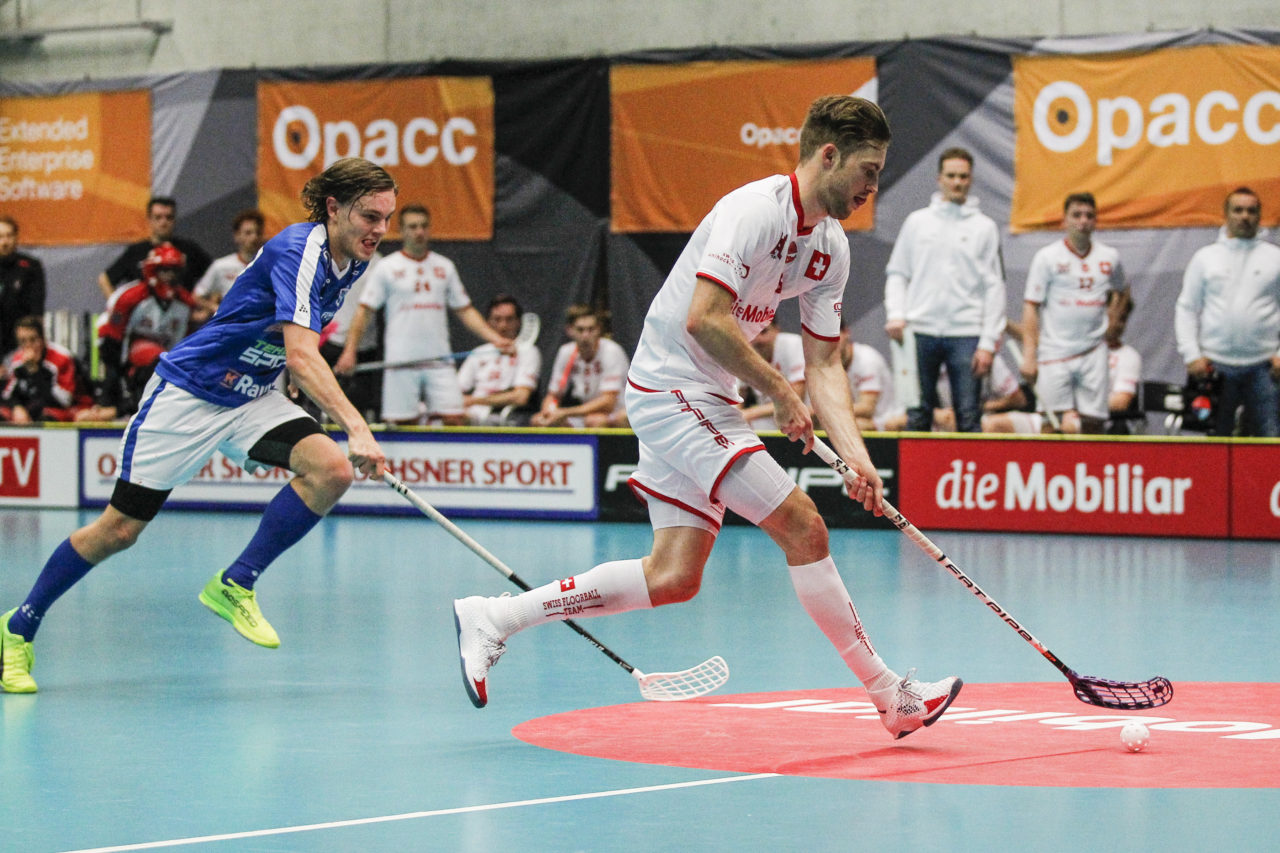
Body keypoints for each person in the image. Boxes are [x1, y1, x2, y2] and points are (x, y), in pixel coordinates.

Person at [452, 94, 961, 739]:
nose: (873, 186)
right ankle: (891, 696)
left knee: (672, 577)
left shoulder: (831, 247)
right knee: (804, 527)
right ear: (828, 156)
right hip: (673, 385)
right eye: (869, 170)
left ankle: (494, 617)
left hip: (708, 393)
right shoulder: (753, 212)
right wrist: (780, 392)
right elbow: (705, 320)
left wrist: (856, 455)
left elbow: (826, 367)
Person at [0, 158, 396, 694]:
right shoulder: (300, 249)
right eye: (370, 217)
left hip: (252, 395)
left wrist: (296, 367)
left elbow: (299, 337)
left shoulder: (351, 259)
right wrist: (357, 427)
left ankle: (236, 582)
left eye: (386, 219)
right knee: (119, 531)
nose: (379, 230)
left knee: (330, 471)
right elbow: (302, 351)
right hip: (189, 395)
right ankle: (19, 626)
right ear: (333, 208)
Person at [334, 203, 511, 425]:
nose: (419, 232)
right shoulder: (387, 267)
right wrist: (350, 351)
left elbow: (465, 310)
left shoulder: (444, 267)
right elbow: (364, 311)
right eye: (413, 226)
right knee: (400, 425)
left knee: (454, 420)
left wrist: (496, 340)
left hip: (439, 360)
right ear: (401, 230)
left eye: (423, 226)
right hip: (400, 361)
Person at [883, 147, 1006, 433]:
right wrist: (896, 314)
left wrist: (988, 342)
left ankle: (972, 479)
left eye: (963, 176)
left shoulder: (984, 228)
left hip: (966, 332)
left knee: (969, 416)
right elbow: (898, 272)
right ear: (939, 178)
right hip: (919, 330)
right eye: (951, 176)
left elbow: (994, 287)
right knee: (917, 415)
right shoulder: (917, 222)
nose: (957, 182)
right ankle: (916, 479)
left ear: (971, 179)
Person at [1175, 186, 1280, 437]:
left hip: (1264, 369)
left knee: (1271, 439)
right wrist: (1191, 355)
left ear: (1259, 215)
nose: (1244, 216)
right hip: (1215, 368)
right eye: (1238, 210)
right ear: (1226, 214)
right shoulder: (1205, 258)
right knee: (1213, 443)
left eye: (1251, 211)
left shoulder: (1275, 258)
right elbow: (1187, 308)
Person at [1019, 192, 1128, 434]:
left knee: (1094, 421)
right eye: (1076, 215)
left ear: (1096, 220)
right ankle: (1048, 470)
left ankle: (1091, 470)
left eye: (1089, 216)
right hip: (1055, 350)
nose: (1083, 221)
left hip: (1093, 351)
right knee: (1049, 421)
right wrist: (1029, 354)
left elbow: (1123, 290)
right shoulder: (1047, 257)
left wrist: (1113, 317)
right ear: (1064, 220)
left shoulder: (1109, 257)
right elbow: (1031, 306)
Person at [77, 243, 197, 422]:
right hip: (121, 348)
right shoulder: (131, 298)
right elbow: (112, 341)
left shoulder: (185, 304)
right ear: (153, 271)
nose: (170, 277)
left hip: (163, 357)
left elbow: (181, 344)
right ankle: (113, 406)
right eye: (165, 271)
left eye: (174, 271)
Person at [531, 304, 630, 428]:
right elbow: (554, 395)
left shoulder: (611, 351)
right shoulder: (566, 352)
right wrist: (549, 413)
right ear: (570, 330)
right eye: (580, 330)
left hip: (619, 412)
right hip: (586, 414)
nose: (585, 336)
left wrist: (566, 412)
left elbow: (608, 402)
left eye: (591, 329)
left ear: (599, 329)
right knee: (538, 421)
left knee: (595, 421)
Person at [96, 196, 212, 301]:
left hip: (181, 316)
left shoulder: (189, 249)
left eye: (168, 217)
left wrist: (207, 305)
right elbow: (105, 279)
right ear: (149, 219)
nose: (163, 222)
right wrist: (117, 307)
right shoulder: (136, 251)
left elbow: (215, 273)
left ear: (174, 219)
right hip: (144, 318)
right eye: (158, 217)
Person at [457, 294, 542, 426]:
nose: (503, 326)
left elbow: (520, 397)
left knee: (456, 419)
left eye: (509, 319)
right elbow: (457, 388)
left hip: (497, 413)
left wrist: (474, 400)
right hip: (469, 410)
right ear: (488, 322)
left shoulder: (528, 351)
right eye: (497, 319)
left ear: (519, 322)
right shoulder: (479, 352)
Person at [0, 316, 89, 422]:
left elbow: (64, 401)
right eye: (23, 341)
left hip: (71, 409)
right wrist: (17, 407)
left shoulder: (61, 358)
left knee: (47, 415)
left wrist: (35, 371)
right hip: (33, 408)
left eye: (33, 340)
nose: (28, 346)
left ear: (43, 339)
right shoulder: (18, 359)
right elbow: (8, 394)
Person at [191, 209, 266, 325]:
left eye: (258, 233)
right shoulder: (221, 266)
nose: (254, 238)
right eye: (248, 233)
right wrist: (216, 308)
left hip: (261, 326)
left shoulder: (271, 266)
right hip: (231, 326)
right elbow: (197, 296)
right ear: (237, 236)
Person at [737, 318, 805, 431]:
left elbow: (796, 398)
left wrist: (748, 414)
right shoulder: (742, 354)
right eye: (751, 334)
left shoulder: (792, 344)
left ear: (777, 330)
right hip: (767, 422)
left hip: (802, 418)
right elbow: (739, 398)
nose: (757, 340)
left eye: (764, 332)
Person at [839, 326, 905, 432]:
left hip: (886, 421)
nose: (829, 343)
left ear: (846, 333)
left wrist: (823, 410)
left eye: (834, 336)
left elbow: (867, 408)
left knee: (849, 425)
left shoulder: (867, 360)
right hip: (862, 421)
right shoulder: (827, 364)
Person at [0, 216, 47, 362]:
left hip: (21, 341)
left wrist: (33, 346)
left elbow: (36, 311)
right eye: (1, 237)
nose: (5, 242)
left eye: (9, 236)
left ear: (16, 238)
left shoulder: (30, 267)